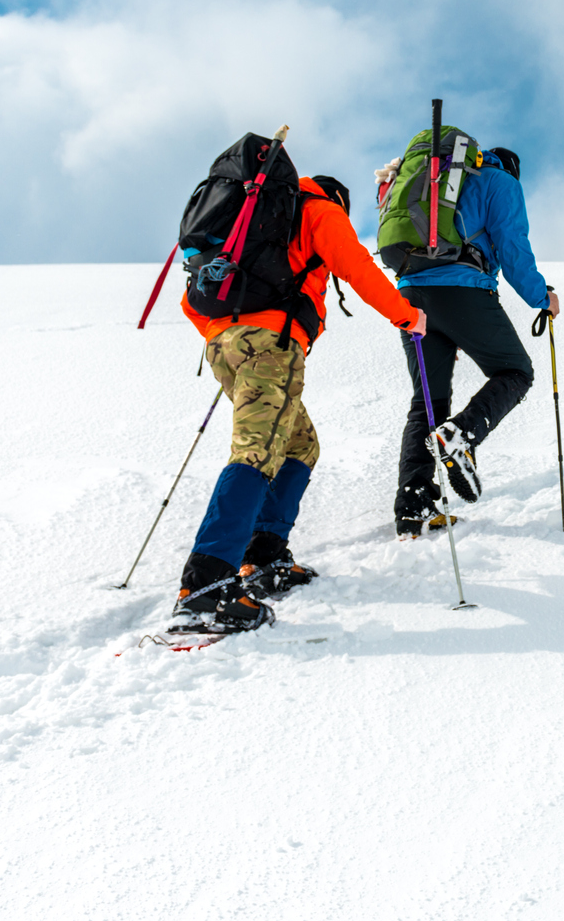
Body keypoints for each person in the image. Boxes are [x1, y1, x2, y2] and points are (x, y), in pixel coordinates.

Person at [173, 172, 425, 631]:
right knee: (256, 450)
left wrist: (229, 335)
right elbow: (357, 268)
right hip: (272, 345)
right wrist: (407, 316)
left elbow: (195, 299)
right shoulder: (318, 209)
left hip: (222, 343)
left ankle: (264, 556)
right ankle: (206, 586)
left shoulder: (244, 221)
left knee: (300, 446)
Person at [378, 145, 559, 535]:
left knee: (427, 401)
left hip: (410, 293)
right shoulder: (500, 181)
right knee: (515, 371)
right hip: (461, 288)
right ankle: (461, 436)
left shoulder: (436, 180)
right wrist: (541, 297)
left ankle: (413, 509)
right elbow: (512, 247)